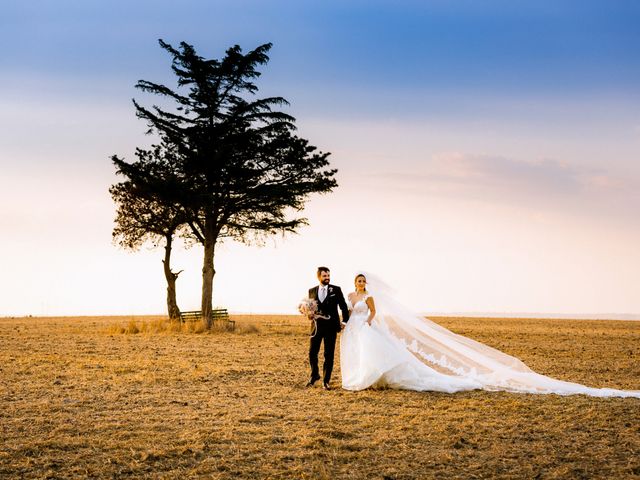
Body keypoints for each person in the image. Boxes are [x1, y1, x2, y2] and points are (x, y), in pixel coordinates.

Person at [339, 272, 640, 398]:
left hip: (368, 328)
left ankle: (375, 380)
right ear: (355, 283)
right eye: (359, 280)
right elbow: (349, 312)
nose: (362, 284)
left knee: (378, 354)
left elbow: (374, 313)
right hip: (354, 327)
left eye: (364, 280)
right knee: (364, 356)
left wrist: (367, 322)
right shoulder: (350, 296)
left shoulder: (371, 297)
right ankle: (369, 380)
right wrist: (348, 322)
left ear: (368, 283)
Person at [306, 266, 350, 390]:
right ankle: (315, 375)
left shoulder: (336, 289)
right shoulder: (312, 291)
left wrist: (345, 321)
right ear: (319, 276)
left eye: (328, 276)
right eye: (325, 276)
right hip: (316, 327)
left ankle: (326, 381)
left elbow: (343, 307)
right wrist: (309, 314)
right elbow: (310, 308)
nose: (327, 278)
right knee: (312, 353)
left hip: (331, 327)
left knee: (328, 355)